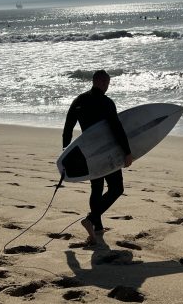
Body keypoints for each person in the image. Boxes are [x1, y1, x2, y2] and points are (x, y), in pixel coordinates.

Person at [62, 70, 133, 244]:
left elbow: (68, 128)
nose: (107, 86)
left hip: (90, 153)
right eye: (106, 83)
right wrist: (127, 151)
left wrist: (65, 153)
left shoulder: (79, 101)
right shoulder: (106, 102)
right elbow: (116, 128)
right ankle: (92, 219)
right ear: (101, 82)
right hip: (107, 152)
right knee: (117, 188)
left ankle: (97, 228)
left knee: (97, 188)